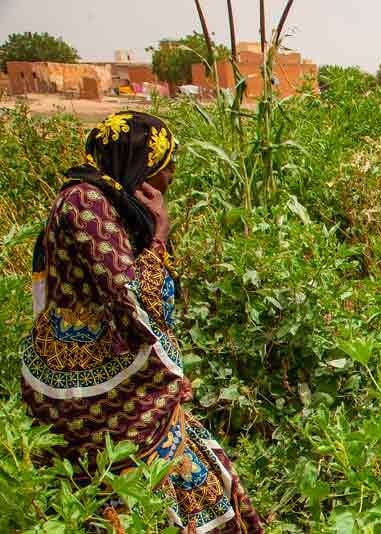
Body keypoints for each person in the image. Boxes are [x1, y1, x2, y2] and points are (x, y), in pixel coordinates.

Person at [21, 111, 263, 533]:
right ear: (139, 165)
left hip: (91, 376)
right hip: (96, 392)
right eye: (165, 166)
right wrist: (160, 235)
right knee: (152, 479)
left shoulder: (99, 200)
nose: (169, 177)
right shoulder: (86, 203)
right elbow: (140, 304)